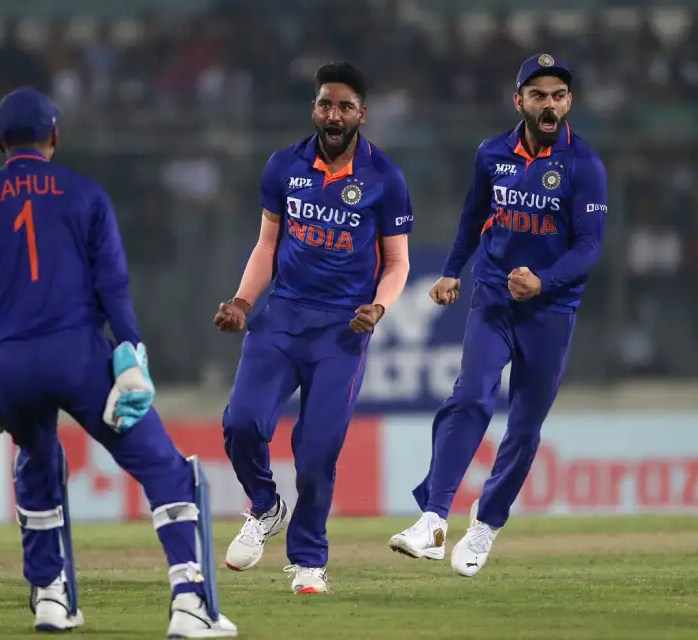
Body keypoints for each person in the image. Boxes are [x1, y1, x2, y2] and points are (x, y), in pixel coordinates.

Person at [0, 86, 237, 637]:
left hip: (6, 364)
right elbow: (113, 285)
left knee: (36, 460)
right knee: (165, 468)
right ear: (54, 137)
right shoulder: (84, 194)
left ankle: (51, 598)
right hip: (75, 352)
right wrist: (130, 352)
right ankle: (189, 600)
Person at [389, 54, 608, 577]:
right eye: (539, 95)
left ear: (569, 102)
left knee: (525, 429)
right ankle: (433, 519)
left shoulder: (585, 165)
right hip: (494, 297)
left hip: (551, 309)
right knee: (470, 395)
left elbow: (590, 245)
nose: (549, 104)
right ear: (519, 101)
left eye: (558, 95)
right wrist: (451, 271)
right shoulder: (491, 153)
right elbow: (473, 217)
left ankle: (485, 524)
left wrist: (543, 282)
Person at [214, 62, 413, 594]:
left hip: (342, 331)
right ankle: (265, 506)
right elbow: (267, 246)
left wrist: (379, 308)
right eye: (326, 104)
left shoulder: (384, 178)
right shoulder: (284, 165)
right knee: (242, 424)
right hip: (282, 317)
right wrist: (242, 301)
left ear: (361, 115)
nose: (334, 115)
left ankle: (308, 560)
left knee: (318, 451)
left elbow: (398, 263)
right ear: (314, 109)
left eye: (345, 107)